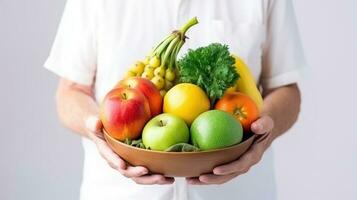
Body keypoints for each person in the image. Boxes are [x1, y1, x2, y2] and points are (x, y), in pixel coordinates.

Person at [45, 0, 305, 199]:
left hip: (238, 192)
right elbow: (70, 92)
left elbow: (286, 89)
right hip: (119, 192)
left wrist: (263, 134)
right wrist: (97, 129)